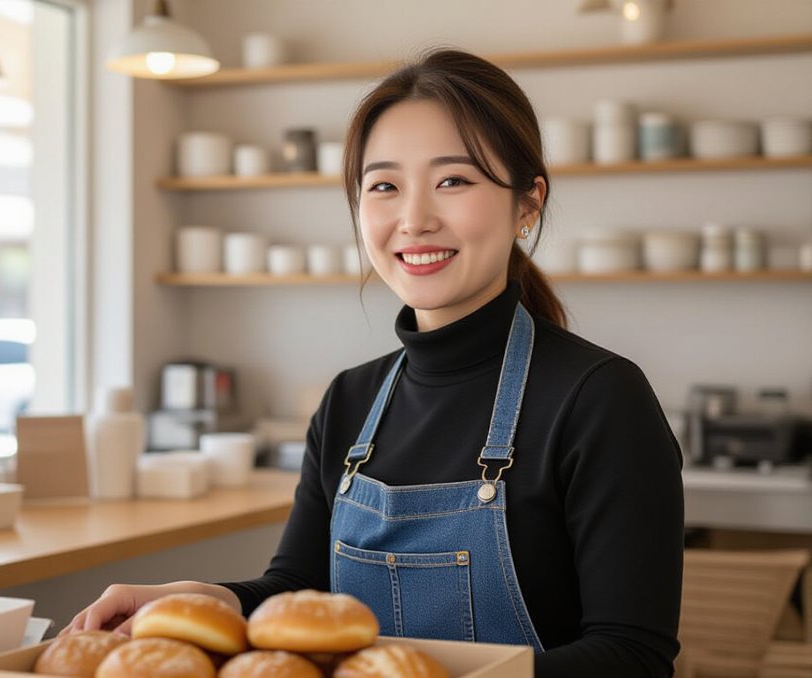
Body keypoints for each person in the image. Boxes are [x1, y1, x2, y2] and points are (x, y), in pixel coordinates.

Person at [61, 49, 684, 677]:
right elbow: (297, 588)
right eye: (384, 186)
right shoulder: (349, 402)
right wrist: (201, 598)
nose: (414, 219)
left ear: (527, 205)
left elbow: (634, 657)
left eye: (454, 180)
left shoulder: (599, 398)